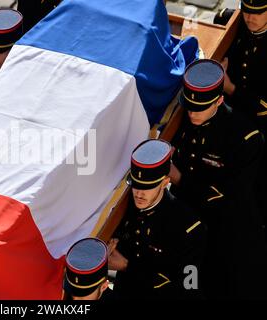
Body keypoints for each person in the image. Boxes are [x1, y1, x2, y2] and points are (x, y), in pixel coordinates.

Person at [170, 59, 267, 298]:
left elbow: (226, 197)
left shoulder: (244, 138)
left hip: (227, 235)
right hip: (190, 230)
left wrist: (179, 178)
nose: (192, 112)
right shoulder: (183, 121)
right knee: (188, 287)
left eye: (199, 108)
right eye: (189, 106)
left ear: (219, 99)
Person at [108, 139, 206, 299]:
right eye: (136, 185)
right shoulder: (124, 209)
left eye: (147, 187)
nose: (139, 193)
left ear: (165, 182)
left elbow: (187, 287)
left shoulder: (189, 227)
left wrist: (127, 266)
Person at [221, 0, 267, 228]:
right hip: (227, 116)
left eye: (257, 14)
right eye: (247, 11)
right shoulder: (233, 22)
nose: (250, 18)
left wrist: (231, 89)